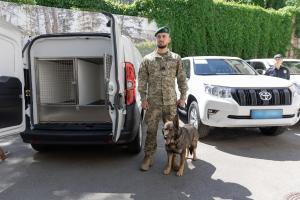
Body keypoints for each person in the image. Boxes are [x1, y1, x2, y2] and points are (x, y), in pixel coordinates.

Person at [138, 26, 188, 171]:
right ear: (156, 39)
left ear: (168, 39)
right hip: (153, 103)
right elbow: (142, 81)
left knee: (174, 132)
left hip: (171, 103)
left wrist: (183, 97)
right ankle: (148, 157)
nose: (161, 39)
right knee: (151, 131)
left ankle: (173, 160)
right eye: (159, 36)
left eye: (164, 36)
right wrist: (143, 98)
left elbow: (182, 79)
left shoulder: (176, 58)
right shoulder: (147, 59)